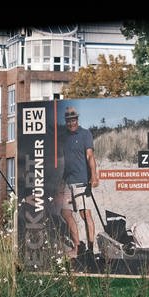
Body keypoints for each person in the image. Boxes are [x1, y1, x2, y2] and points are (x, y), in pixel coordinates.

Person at [61, 106, 99, 259]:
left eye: (74, 120)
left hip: (82, 182)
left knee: (85, 214)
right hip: (67, 182)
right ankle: (77, 246)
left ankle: (90, 249)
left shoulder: (85, 134)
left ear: (77, 119)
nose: (72, 123)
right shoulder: (63, 136)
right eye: (69, 121)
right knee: (65, 213)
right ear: (66, 121)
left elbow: (90, 156)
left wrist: (94, 176)